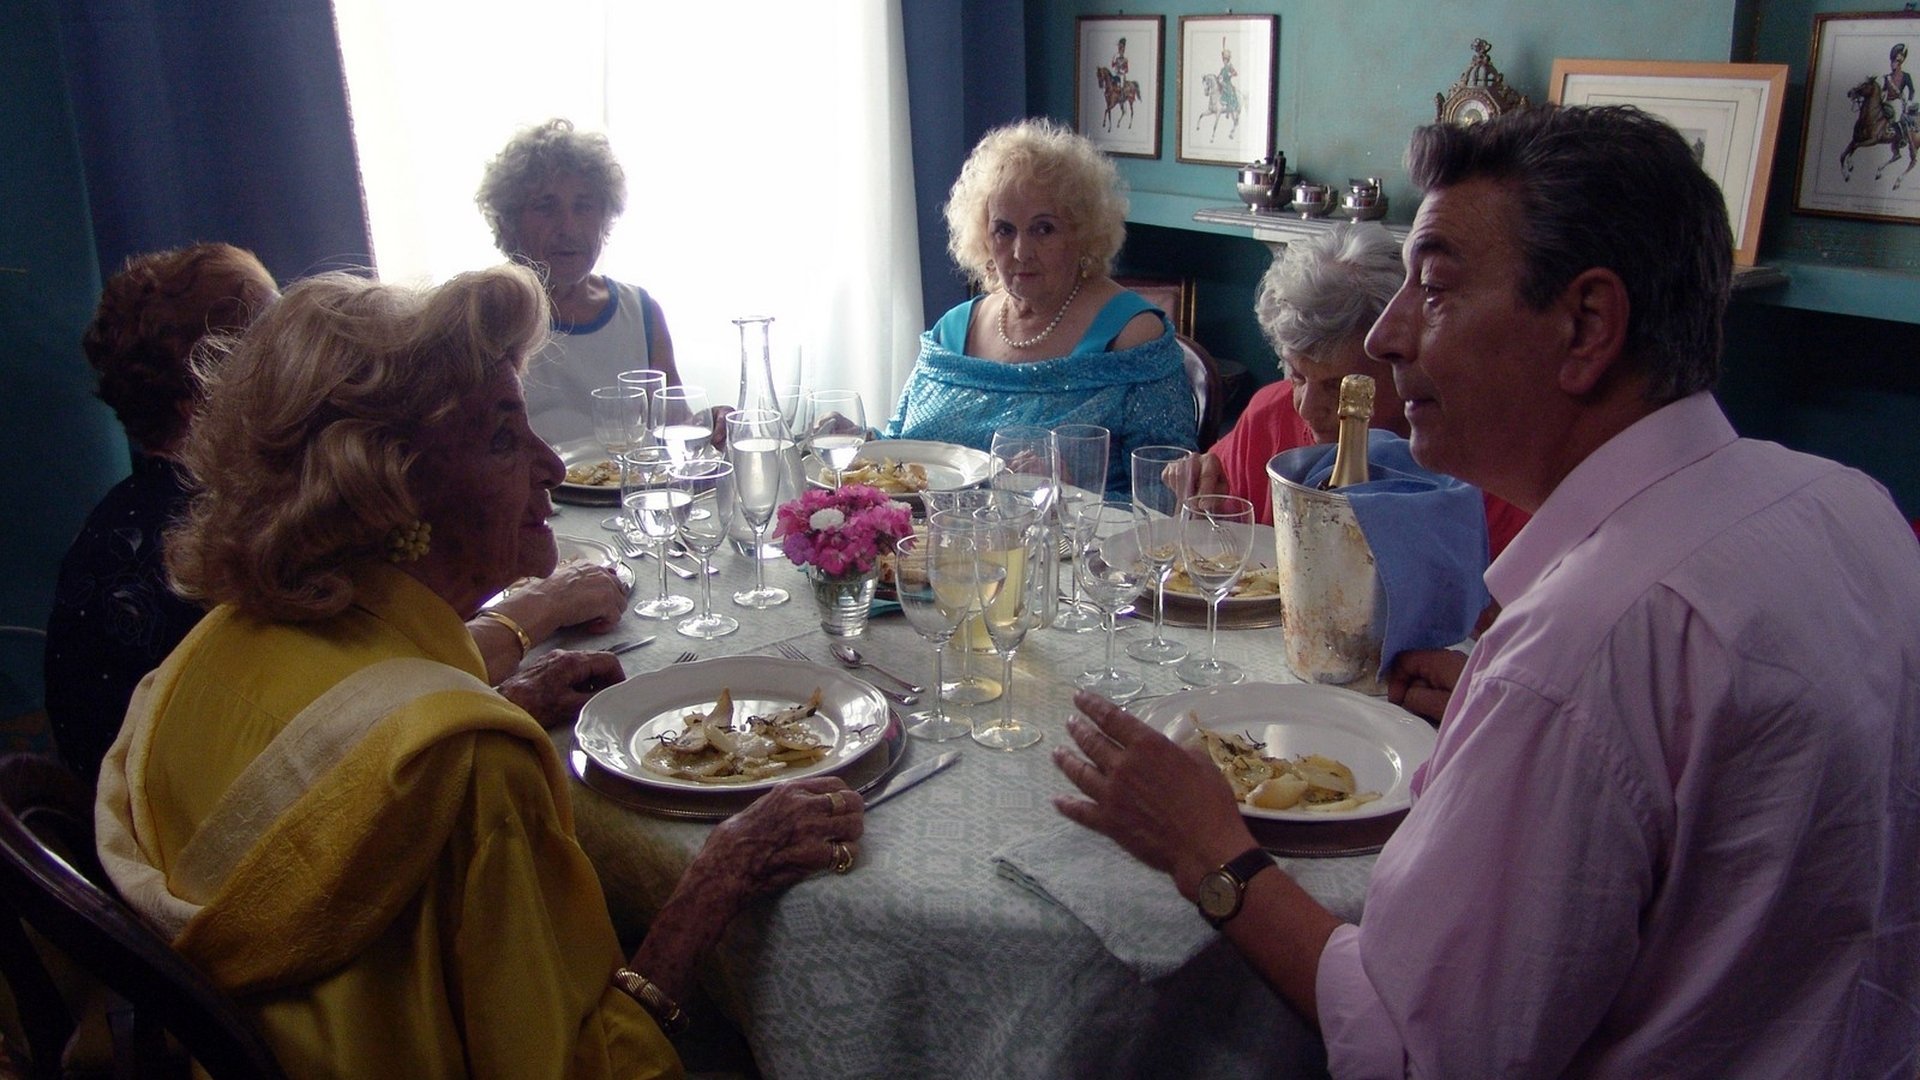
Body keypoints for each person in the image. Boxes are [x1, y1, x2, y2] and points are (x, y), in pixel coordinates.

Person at [1052, 104, 1920, 1076]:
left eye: (1435, 288)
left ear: (1587, 325)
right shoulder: (1855, 511)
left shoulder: (1585, 641)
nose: (1383, 337)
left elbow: (1413, 1048)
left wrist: (1206, 847)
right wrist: (1525, 729)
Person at [94, 265, 863, 1077]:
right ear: (391, 495)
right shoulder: (469, 765)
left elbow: (343, 737)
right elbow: (585, 1067)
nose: (551, 467)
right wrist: (719, 877)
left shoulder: (205, 654)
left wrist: (498, 690)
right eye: (502, 438)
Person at [44, 247, 626, 786]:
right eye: (270, 343)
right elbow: (346, 743)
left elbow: (351, 688)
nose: (309, 357)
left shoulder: (162, 525)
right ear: (206, 396)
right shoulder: (215, 556)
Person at [882, 118, 1195, 495]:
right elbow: (896, 448)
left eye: (1043, 229)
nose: (1020, 252)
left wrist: (1072, 488)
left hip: (1070, 547)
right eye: (1004, 230)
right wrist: (853, 443)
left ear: (1082, 233)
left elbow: (1171, 493)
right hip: (934, 545)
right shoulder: (953, 330)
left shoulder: (1131, 336)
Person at [1190, 221, 1529, 558]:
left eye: (1339, 386)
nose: (1307, 409)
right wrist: (1195, 483)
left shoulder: (1480, 464)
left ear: (1405, 363)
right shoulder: (1270, 415)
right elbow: (1213, 519)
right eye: (1298, 376)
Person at [478, 118, 681, 448]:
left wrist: (714, 424)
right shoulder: (486, 319)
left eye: (584, 207)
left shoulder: (641, 312)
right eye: (546, 207)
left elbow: (674, 432)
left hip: (630, 497)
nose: (568, 227)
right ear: (509, 222)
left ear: (605, 217)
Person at [1883, 43, 1914, 144]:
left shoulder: (1906, 76)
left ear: (1899, 63)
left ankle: (1901, 138)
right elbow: (1884, 90)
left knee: (1894, 114)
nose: (1893, 64)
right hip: (1887, 101)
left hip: (1897, 101)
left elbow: (1911, 90)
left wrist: (1909, 101)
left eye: (1895, 62)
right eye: (1892, 62)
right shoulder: (1887, 77)